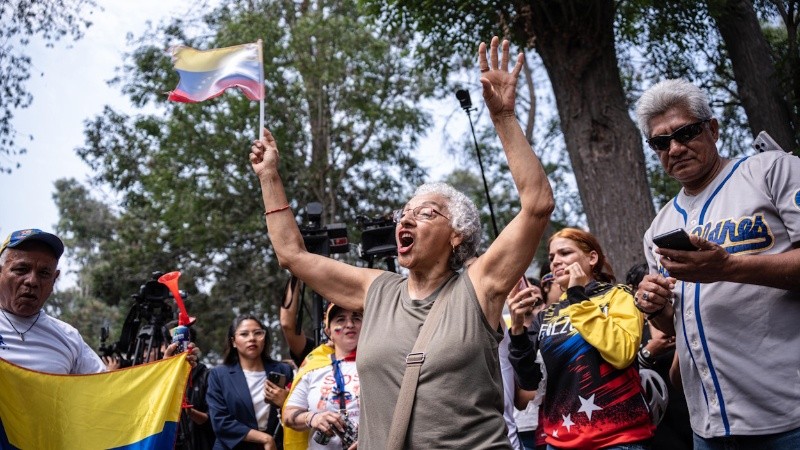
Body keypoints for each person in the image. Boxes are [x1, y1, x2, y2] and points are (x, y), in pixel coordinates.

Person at [249, 36, 554, 448]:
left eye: (426, 213)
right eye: (403, 213)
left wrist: (503, 117)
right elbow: (291, 254)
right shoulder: (376, 290)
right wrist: (269, 177)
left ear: (457, 235)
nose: (406, 219)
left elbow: (537, 205)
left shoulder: (480, 285)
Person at [633, 78, 800, 448]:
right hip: (708, 427)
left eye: (685, 133)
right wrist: (656, 306)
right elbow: (674, 323)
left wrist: (729, 268)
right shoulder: (659, 227)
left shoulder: (772, 170)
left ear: (712, 129)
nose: (675, 148)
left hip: (788, 414)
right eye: (661, 142)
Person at [508, 228, 654, 449]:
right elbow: (530, 383)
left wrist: (577, 295)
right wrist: (518, 328)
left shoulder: (618, 295)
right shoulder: (547, 315)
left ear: (592, 258)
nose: (556, 261)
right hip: (560, 441)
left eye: (565, 253)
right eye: (552, 257)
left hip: (619, 438)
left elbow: (622, 353)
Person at [0, 228, 196, 374]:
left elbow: (107, 394)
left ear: (54, 279)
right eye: (21, 269)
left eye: (44, 273)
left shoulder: (68, 338)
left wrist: (165, 370)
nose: (32, 281)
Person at [626, 263, 692, 450]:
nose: (653, 296)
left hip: (686, 408)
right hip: (654, 419)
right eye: (646, 290)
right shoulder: (630, 327)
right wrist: (648, 353)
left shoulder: (679, 318)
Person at [207, 314, 295, 450]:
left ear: (264, 338)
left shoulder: (284, 370)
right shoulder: (219, 375)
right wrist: (265, 438)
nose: (252, 338)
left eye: (258, 333)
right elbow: (220, 421)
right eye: (244, 334)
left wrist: (285, 402)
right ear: (233, 342)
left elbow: (298, 409)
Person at [282, 303, 361, 450]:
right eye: (340, 319)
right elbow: (288, 414)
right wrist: (313, 418)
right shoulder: (314, 367)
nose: (350, 324)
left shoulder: (380, 364)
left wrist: (373, 436)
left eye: (356, 318)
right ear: (328, 331)